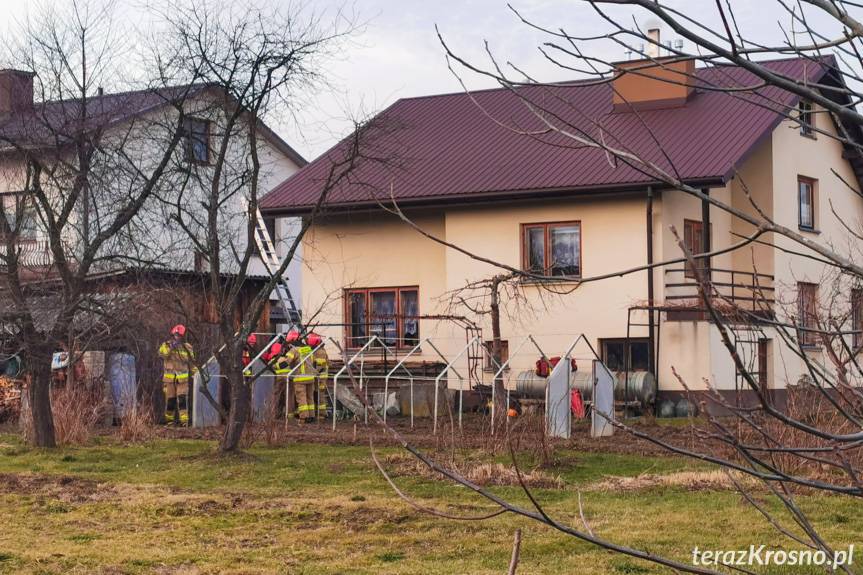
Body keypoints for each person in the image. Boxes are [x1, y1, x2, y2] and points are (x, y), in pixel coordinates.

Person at [274, 330, 317, 423]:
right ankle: (312, 416)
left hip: (300, 378)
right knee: (310, 397)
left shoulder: (294, 350)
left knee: (301, 398)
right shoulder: (308, 348)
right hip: (311, 377)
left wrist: (274, 366)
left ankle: (304, 417)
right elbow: (314, 362)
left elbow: (286, 363)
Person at [158, 324, 196, 425]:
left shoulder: (187, 347)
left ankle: (184, 422)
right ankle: (169, 421)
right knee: (170, 401)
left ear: (183, 336)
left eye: (179, 336)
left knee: (182, 400)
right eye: (176, 335)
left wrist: (196, 373)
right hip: (169, 380)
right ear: (172, 335)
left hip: (182, 380)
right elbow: (163, 355)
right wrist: (171, 347)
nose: (177, 337)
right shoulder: (165, 345)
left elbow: (192, 362)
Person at [307, 333, 329, 419]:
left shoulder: (320, 352)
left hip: (321, 377)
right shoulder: (318, 350)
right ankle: (319, 413)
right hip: (318, 376)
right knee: (316, 394)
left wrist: (312, 373)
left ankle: (321, 414)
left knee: (320, 395)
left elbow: (319, 366)